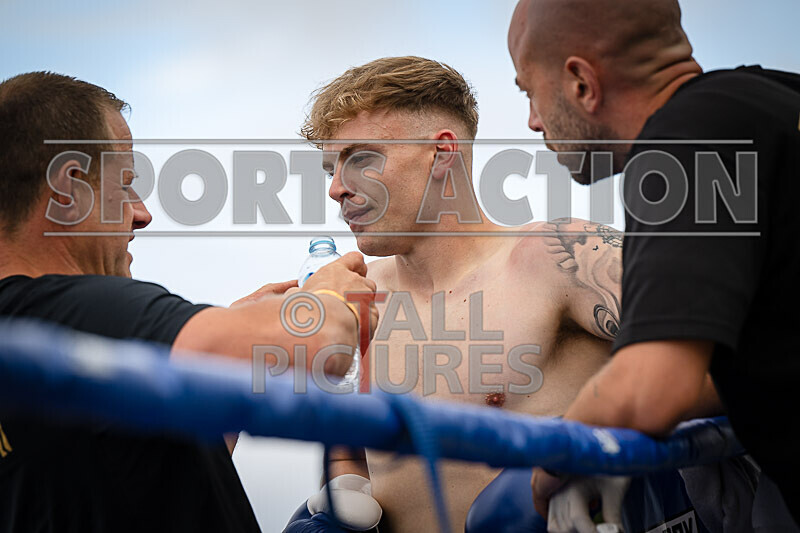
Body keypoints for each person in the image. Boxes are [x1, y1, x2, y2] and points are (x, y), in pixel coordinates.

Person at [0, 71, 378, 532]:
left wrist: (231, 353)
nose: (142, 213)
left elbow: (148, 477)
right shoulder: (82, 313)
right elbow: (322, 344)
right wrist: (327, 294)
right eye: (125, 184)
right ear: (70, 187)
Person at [289, 55, 623, 533]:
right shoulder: (354, 294)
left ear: (442, 153)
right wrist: (344, 491)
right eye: (331, 168)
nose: (337, 188)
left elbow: (722, 343)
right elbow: (353, 456)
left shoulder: (559, 257)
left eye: (360, 158)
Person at [508, 0, 800, 529]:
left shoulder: (684, 145)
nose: (532, 122)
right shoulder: (774, 98)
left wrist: (556, 461)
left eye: (530, 92)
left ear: (581, 83)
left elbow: (653, 389)